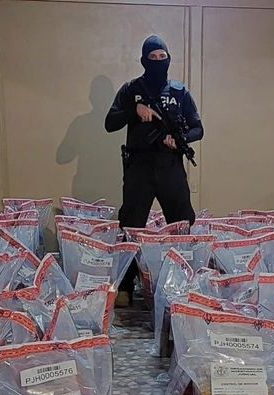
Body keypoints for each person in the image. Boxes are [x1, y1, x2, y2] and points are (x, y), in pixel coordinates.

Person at [105, 35, 203, 307]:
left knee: (181, 223)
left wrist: (180, 139)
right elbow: (110, 123)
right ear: (143, 60)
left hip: (170, 166)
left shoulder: (180, 92)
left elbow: (198, 128)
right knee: (131, 226)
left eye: (163, 57)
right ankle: (125, 287)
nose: (159, 61)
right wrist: (134, 110)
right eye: (153, 57)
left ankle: (182, 284)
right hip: (139, 168)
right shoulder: (131, 89)